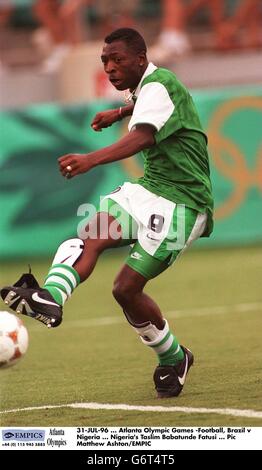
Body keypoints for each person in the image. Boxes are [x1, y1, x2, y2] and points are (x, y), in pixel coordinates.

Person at [1, 28, 213, 399]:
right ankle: (50, 295)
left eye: (118, 60)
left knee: (125, 289)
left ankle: (174, 357)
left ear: (141, 60)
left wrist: (91, 159)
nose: (110, 68)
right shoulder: (147, 87)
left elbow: (144, 136)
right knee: (91, 234)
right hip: (149, 189)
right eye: (105, 61)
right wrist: (119, 111)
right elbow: (143, 103)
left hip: (184, 203)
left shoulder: (161, 83)